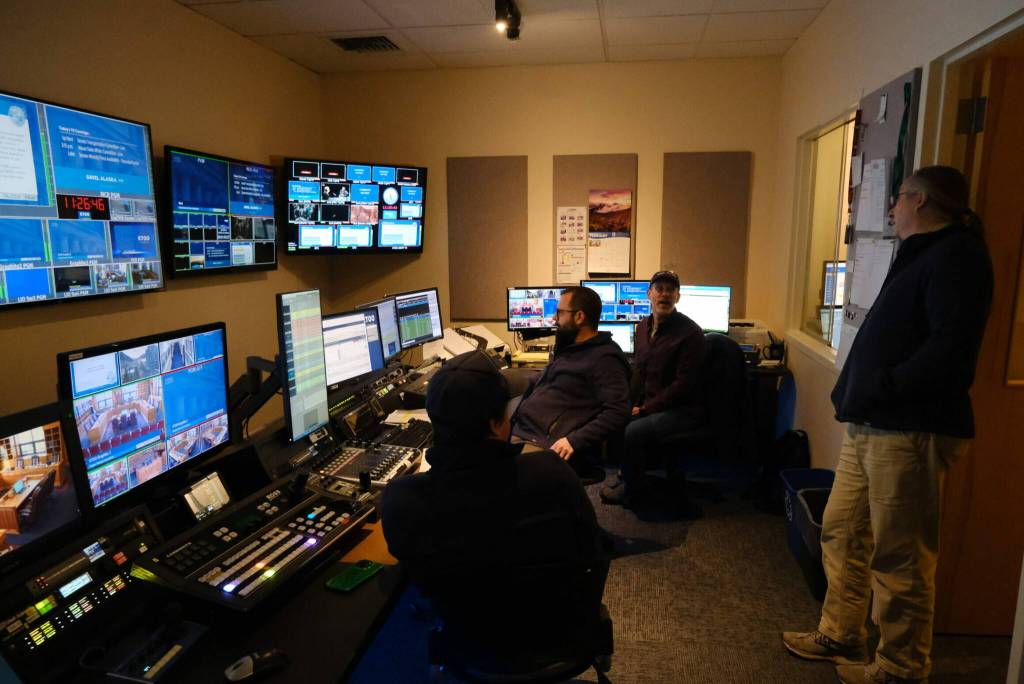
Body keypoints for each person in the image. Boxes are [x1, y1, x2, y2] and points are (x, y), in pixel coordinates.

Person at [783, 166, 993, 684]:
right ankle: (841, 632)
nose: (892, 208)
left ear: (919, 200)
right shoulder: (923, 253)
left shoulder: (957, 256)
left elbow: (951, 349)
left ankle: (901, 670)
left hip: (909, 428)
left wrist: (885, 386)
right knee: (842, 529)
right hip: (873, 424)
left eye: (898, 199)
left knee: (901, 557)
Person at [381, 351, 609, 659]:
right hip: (556, 633)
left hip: (469, 642)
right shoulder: (553, 474)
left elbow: (420, 579)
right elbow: (592, 549)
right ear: (496, 423)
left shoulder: (400, 500)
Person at [600, 270, 706, 508]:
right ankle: (627, 476)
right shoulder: (642, 327)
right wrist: (626, 403)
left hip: (683, 410)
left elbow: (684, 385)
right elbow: (639, 371)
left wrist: (645, 408)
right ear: (649, 294)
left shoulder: (691, 333)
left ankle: (633, 491)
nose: (664, 295)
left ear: (678, 297)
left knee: (633, 431)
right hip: (653, 404)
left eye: (671, 290)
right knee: (616, 417)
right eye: (659, 289)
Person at [511, 286, 631, 469]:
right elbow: (551, 379)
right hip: (522, 428)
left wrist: (574, 441)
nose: (553, 318)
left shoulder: (605, 359)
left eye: (559, 312)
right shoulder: (569, 348)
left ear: (580, 317)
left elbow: (618, 412)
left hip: (543, 443)